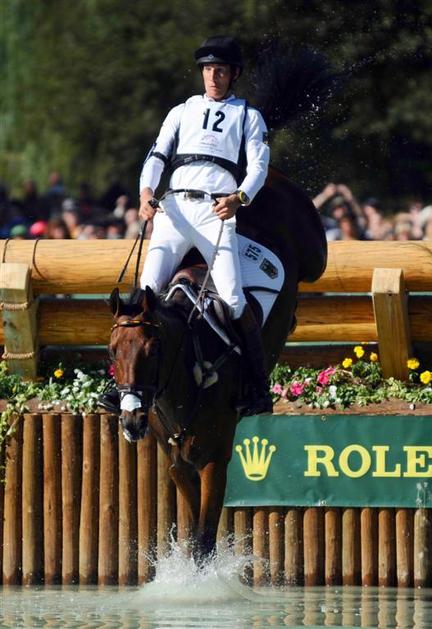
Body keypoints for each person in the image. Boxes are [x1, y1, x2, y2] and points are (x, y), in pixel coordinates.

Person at [137, 36, 272, 416]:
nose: (214, 75)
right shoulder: (181, 111)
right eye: (209, 69)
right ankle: (122, 384)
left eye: (222, 70)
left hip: (216, 212)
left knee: (232, 300)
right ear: (202, 73)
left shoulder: (248, 115)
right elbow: (157, 155)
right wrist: (147, 192)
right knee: (144, 294)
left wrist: (238, 198)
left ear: (233, 75)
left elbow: (258, 167)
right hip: (174, 210)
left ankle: (258, 386)